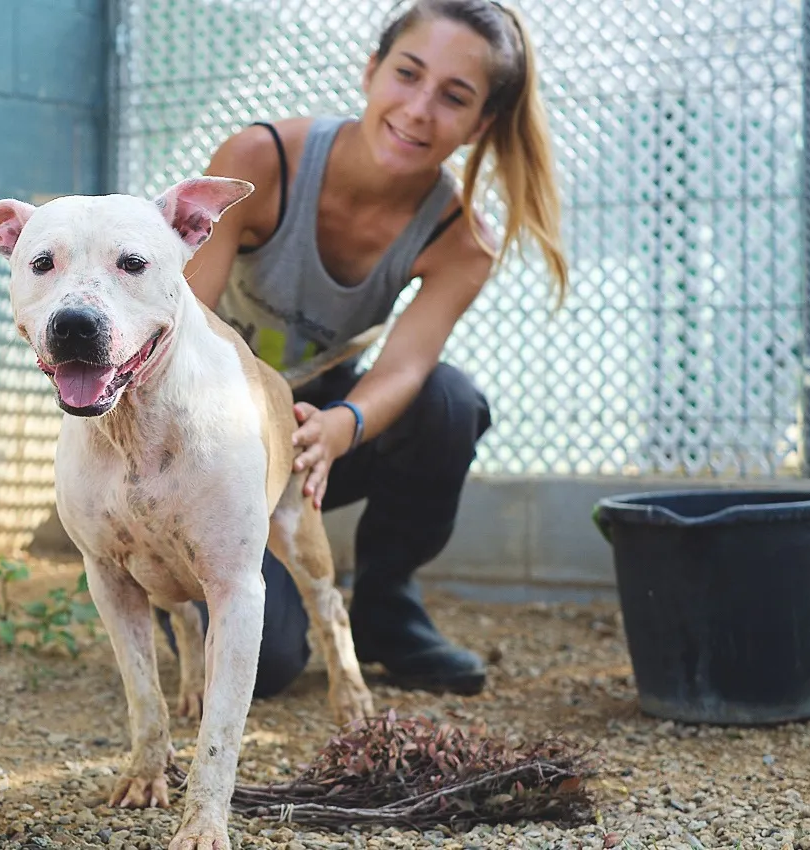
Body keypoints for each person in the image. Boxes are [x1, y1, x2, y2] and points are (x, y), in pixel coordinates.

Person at [156, 0, 569, 697]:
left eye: (453, 97)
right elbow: (180, 323)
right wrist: (239, 434)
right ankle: (178, 576)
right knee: (270, 665)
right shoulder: (260, 161)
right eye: (406, 74)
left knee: (449, 400)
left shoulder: (461, 238)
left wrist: (338, 429)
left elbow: (406, 364)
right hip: (208, 421)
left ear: (480, 124)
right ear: (371, 70)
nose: (417, 109)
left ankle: (385, 607)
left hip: (313, 429)